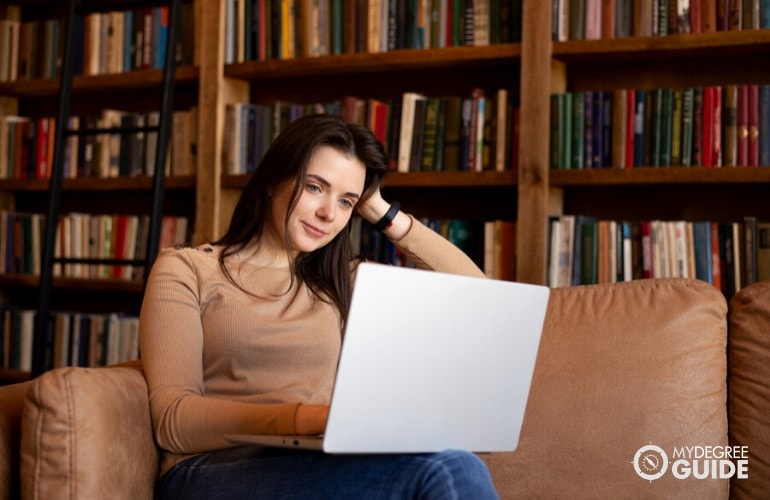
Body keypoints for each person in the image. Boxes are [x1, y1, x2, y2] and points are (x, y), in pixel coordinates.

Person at [139, 113, 499, 499]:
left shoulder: (344, 279)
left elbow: (481, 299)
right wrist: (303, 418)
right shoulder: (188, 268)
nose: (330, 213)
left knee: (452, 462)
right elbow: (172, 418)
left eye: (346, 201)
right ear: (273, 181)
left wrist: (381, 211)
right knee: (446, 470)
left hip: (319, 461)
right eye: (315, 187)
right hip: (208, 469)